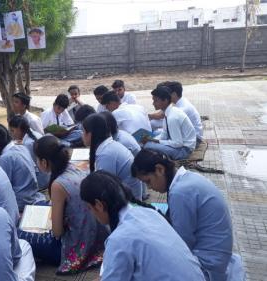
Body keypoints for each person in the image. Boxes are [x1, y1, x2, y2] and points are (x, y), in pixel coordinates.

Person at [132, 149, 244, 281]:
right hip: (218, 257)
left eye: (148, 181)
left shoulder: (180, 192)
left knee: (144, 271)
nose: (149, 188)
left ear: (159, 169)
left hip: (208, 266)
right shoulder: (186, 179)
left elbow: (181, 245)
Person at [79, 171, 205, 281]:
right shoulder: (148, 212)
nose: (91, 213)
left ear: (99, 205)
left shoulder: (119, 239)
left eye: (89, 208)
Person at [19, 136, 107, 274]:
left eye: (37, 159)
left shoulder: (58, 185)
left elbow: (58, 232)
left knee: (20, 233)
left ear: (44, 161)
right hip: (97, 239)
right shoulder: (75, 167)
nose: (36, 163)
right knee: (41, 204)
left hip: (77, 247)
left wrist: (50, 222)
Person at [82, 114, 143, 200]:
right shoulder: (108, 145)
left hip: (129, 202)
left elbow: (103, 189)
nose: (82, 135)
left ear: (91, 134)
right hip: (125, 195)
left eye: (83, 131)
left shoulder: (106, 154)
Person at [0, 124, 45, 211]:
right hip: (32, 194)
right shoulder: (22, 148)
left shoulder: (6, 158)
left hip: (21, 201)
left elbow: (2, 186)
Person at [143, 86, 196, 160]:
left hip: (184, 150)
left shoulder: (172, 117)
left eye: (156, 101)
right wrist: (152, 139)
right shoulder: (169, 111)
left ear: (165, 100)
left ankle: (159, 161)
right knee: (153, 135)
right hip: (180, 144)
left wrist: (156, 141)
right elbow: (164, 134)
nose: (153, 103)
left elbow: (178, 143)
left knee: (147, 146)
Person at [8, 115, 49, 189]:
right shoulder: (35, 134)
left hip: (41, 181)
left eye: (12, 131)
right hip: (47, 175)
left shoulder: (28, 144)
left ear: (20, 129)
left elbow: (28, 168)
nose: (11, 134)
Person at [161, 81, 203, 145]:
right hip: (190, 135)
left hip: (195, 139)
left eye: (166, 94)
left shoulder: (183, 108)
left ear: (174, 94)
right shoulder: (179, 102)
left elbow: (166, 121)